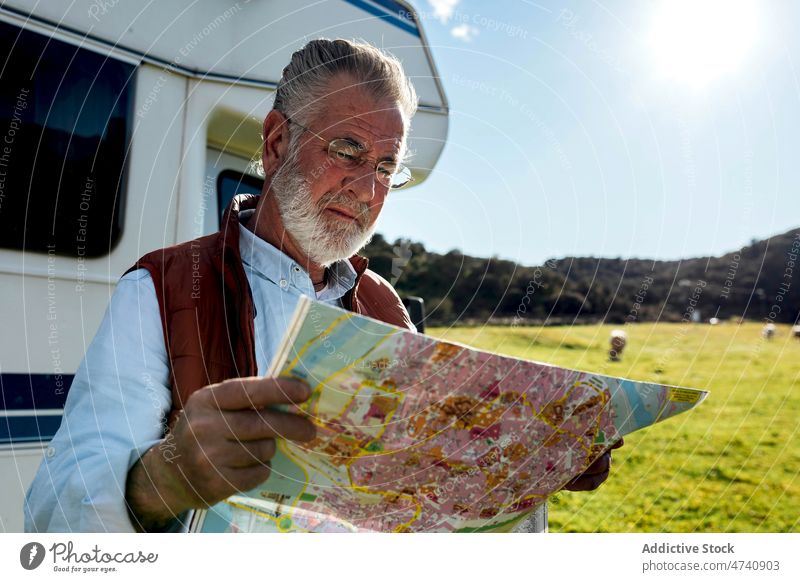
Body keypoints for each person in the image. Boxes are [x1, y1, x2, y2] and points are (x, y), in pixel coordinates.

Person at [25, 39, 618, 533]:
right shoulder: (163, 288)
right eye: (349, 150)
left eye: (386, 166)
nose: (368, 188)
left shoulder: (383, 303)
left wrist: (530, 464)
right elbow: (54, 516)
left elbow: (428, 478)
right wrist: (165, 479)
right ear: (277, 142)